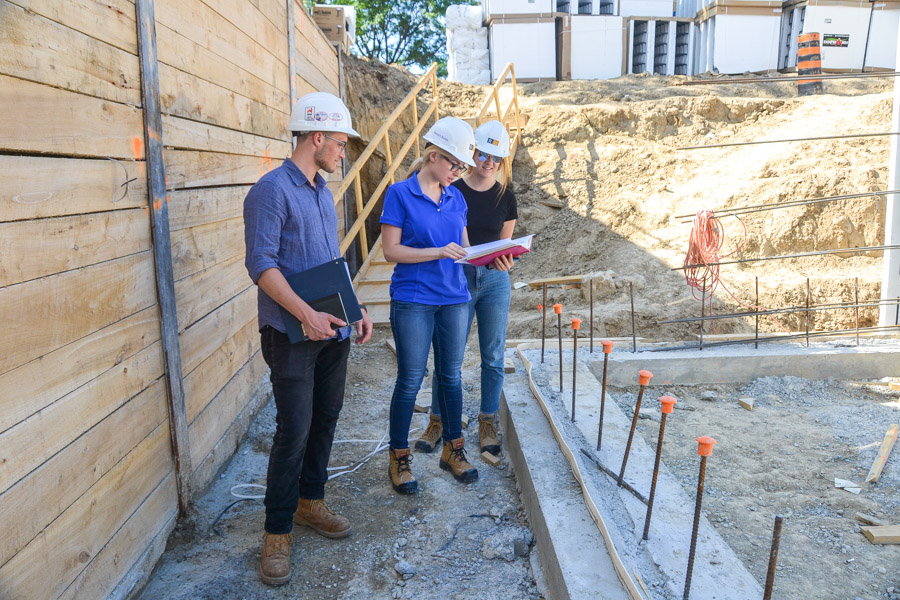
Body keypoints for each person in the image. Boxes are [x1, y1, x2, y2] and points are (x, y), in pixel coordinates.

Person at [243, 91, 373, 586]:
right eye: (340, 143)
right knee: (293, 429)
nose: (343, 152)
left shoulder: (321, 190)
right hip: (290, 334)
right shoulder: (271, 191)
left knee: (326, 418)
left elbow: (329, 257)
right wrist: (306, 316)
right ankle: (277, 533)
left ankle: (309, 502)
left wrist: (353, 308)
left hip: (332, 329)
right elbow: (261, 265)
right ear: (316, 137)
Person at [380, 116, 480, 495]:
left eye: (462, 167)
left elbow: (465, 248)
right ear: (433, 156)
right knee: (410, 379)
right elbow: (391, 251)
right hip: (414, 300)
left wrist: (494, 256)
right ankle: (399, 458)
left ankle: (454, 451)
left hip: (454, 298)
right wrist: (437, 251)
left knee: (451, 377)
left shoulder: (457, 197)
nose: (459, 172)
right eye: (455, 164)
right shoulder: (399, 194)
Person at [415, 120, 517, 458]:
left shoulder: (506, 196)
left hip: (494, 283)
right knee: (449, 355)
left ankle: (486, 421)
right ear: (472, 151)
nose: (489, 163)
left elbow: (505, 245)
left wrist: (505, 261)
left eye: (496, 158)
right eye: (483, 154)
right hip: (458, 280)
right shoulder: (452, 189)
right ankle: (438, 421)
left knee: (492, 355)